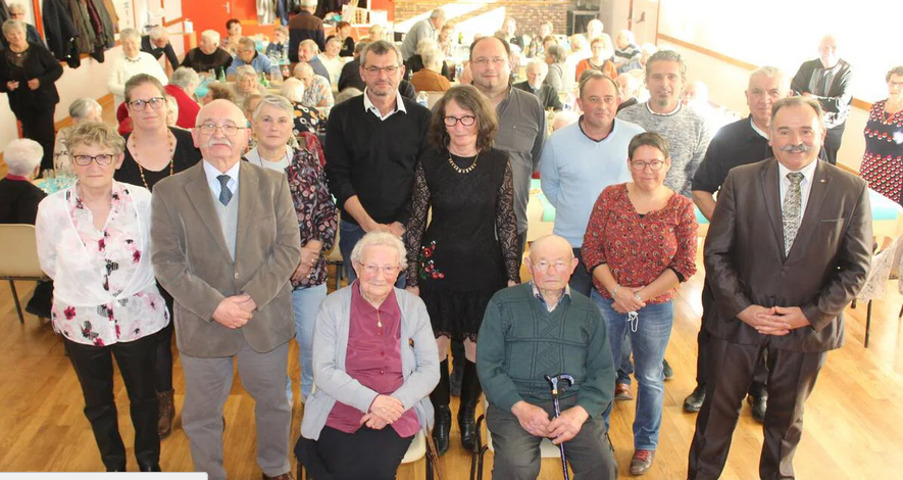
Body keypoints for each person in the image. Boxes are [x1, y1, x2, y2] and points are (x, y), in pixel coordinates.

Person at [687, 96, 872, 480]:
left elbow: (856, 268)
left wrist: (808, 314)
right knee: (716, 419)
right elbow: (717, 252)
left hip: (805, 330)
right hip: (738, 324)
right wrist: (743, 308)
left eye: (806, 130)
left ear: (822, 135)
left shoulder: (850, 189)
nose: (796, 140)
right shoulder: (739, 179)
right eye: (784, 131)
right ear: (769, 135)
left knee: (786, 424)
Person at [150, 99, 301, 480]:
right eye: (209, 126)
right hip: (203, 320)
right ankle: (209, 473)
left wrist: (250, 299)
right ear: (195, 136)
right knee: (201, 413)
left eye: (230, 126)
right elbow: (166, 262)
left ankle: (274, 465)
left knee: (273, 402)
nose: (220, 133)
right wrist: (216, 306)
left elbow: (288, 250)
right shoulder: (169, 191)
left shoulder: (273, 183)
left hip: (262, 317)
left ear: (246, 136)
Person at [36, 122, 169, 472]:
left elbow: (157, 252)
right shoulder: (51, 209)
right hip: (81, 321)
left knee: (144, 398)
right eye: (83, 156)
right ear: (71, 161)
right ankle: (113, 467)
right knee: (97, 402)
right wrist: (91, 288)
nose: (94, 165)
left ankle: (149, 465)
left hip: (138, 317)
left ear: (118, 158)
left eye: (102, 156)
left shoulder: (142, 201)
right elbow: (50, 263)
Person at [403, 85, 520, 454]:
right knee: (435, 346)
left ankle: (467, 416)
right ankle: (440, 417)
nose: (459, 125)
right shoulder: (431, 161)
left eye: (466, 117)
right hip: (436, 267)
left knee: (475, 347)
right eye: (451, 118)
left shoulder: (499, 162)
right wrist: (409, 278)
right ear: (443, 121)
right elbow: (416, 221)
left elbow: (506, 220)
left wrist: (513, 275)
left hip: (484, 267)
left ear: (480, 119)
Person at [582, 132, 698, 475]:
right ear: (629, 164)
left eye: (656, 162)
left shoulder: (681, 207)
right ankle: (598, 438)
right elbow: (591, 249)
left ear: (668, 164)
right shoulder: (610, 197)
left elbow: (685, 263)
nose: (648, 170)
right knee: (601, 371)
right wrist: (618, 291)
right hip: (607, 299)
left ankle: (645, 444)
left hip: (655, 305)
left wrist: (639, 296)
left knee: (649, 376)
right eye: (641, 162)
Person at [686, 66, 792, 417]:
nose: (765, 100)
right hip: (729, 252)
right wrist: (728, 224)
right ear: (746, 97)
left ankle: (758, 389)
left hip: (780, 257)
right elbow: (700, 187)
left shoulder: (796, 140)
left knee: (770, 319)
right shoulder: (727, 138)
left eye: (773, 92)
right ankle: (705, 383)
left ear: (785, 95)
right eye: (757, 92)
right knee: (716, 317)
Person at [295, 232, 439, 480]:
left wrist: (393, 404)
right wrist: (373, 402)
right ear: (356, 267)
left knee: (371, 469)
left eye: (388, 268)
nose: (380, 276)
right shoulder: (333, 306)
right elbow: (324, 370)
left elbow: (429, 369)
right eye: (371, 267)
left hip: (398, 408)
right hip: (341, 403)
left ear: (398, 271)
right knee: (355, 468)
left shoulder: (413, 307)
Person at [477, 234, 618, 480]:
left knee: (602, 467)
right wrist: (519, 408)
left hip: (573, 404)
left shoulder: (588, 311)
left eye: (560, 263)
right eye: (542, 263)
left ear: (573, 266)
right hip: (515, 405)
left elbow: (603, 372)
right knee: (517, 468)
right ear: (529, 265)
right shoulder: (503, 303)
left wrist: (580, 413)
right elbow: (488, 366)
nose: (551, 271)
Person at [114, 74, 202, 437]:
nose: (148, 109)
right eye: (139, 102)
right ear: (128, 109)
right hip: (140, 260)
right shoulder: (117, 152)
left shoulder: (191, 143)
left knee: (197, 332)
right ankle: (163, 401)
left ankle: (202, 404)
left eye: (155, 101)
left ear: (168, 105)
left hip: (193, 253)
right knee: (155, 336)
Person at [246, 94, 337, 403]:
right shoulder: (241, 169)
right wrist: (282, 260)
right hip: (261, 277)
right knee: (271, 342)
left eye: (282, 120)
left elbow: (325, 209)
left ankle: (313, 390)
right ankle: (280, 395)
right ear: (254, 126)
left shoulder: (308, 162)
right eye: (267, 120)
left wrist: (311, 250)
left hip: (308, 270)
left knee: (312, 339)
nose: (274, 126)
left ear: (291, 127)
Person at [324, 40, 431, 284]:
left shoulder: (422, 118)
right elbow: (337, 176)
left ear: (401, 71)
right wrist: (369, 225)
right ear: (362, 72)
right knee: (361, 303)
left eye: (389, 68)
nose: (382, 76)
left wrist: (399, 226)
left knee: (400, 303)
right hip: (356, 228)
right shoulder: (341, 116)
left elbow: (424, 179)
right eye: (374, 69)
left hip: (404, 230)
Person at [540, 71, 644, 296]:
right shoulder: (558, 141)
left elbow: (646, 184)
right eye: (593, 99)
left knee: (615, 315)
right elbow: (549, 185)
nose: (602, 106)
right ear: (579, 103)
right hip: (573, 242)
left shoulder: (635, 137)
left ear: (618, 101)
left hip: (622, 242)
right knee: (573, 310)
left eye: (608, 99)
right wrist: (576, 207)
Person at [469, 35, 546, 260]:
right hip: (461, 228)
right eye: (481, 60)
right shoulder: (452, 105)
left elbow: (536, 158)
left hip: (513, 226)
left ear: (510, 63)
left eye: (497, 59)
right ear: (470, 65)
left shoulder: (532, 106)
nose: (490, 67)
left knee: (508, 293)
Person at [617, 50, 711, 198]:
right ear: (646, 81)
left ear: (683, 81)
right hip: (628, 210)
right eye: (657, 77)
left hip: (674, 214)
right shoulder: (625, 117)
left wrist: (676, 209)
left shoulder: (698, 125)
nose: (664, 84)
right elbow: (617, 165)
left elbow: (697, 177)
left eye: (672, 77)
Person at [0, 19, 64, 171]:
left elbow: (57, 69)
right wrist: (6, 86)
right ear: (6, 36)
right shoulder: (3, 56)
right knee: (29, 137)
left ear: (25, 33)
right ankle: (32, 170)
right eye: (12, 34)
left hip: (44, 101)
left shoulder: (38, 50)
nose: (17, 37)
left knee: (46, 137)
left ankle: (47, 170)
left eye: (19, 33)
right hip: (21, 104)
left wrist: (40, 81)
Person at [1, 138, 51, 318]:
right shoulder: (37, 198)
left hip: (3, 260)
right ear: (37, 168)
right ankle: (42, 300)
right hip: (34, 263)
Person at [790, 35, 852, 165]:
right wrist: (818, 106)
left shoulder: (847, 71)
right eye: (824, 48)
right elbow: (794, 92)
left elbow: (840, 104)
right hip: (805, 123)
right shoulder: (807, 66)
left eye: (833, 48)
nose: (828, 51)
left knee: (827, 166)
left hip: (831, 128)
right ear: (818, 49)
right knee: (802, 159)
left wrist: (812, 98)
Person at [860, 66, 903, 204]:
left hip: (893, 175)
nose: (895, 87)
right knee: (863, 208)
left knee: (885, 215)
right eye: (892, 82)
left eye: (901, 83)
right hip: (869, 167)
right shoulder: (877, 106)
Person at [107, 28, 169, 108]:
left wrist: (151, 91)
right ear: (122, 45)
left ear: (139, 43)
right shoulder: (117, 61)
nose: (130, 47)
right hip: (126, 104)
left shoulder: (148, 58)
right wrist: (134, 92)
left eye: (133, 43)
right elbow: (110, 85)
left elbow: (163, 80)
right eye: (126, 43)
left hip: (151, 101)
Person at [53, 98, 103, 171]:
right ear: (76, 121)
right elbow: (64, 170)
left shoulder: (102, 134)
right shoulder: (65, 137)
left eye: (99, 117)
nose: (99, 122)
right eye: (94, 119)